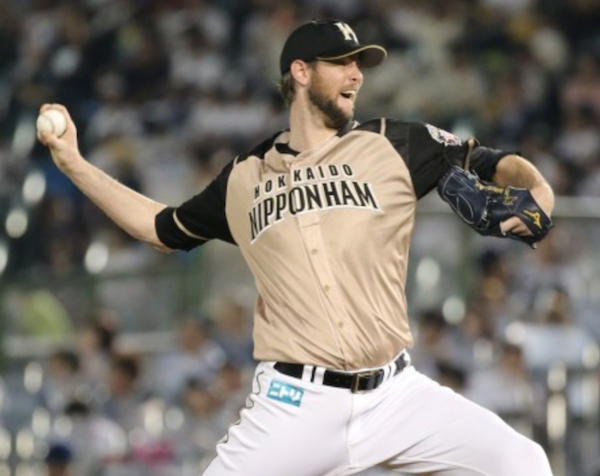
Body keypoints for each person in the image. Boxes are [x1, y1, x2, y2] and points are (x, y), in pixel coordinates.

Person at [39, 18, 555, 476]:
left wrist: (540, 194)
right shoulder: (244, 177)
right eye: (343, 63)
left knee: (523, 463)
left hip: (397, 395)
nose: (356, 75)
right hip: (296, 403)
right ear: (301, 72)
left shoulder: (393, 143)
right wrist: (74, 164)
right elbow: (159, 227)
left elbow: (494, 162)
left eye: (359, 64)